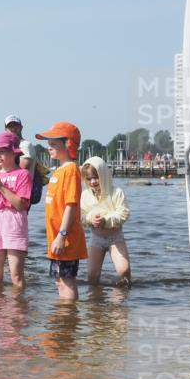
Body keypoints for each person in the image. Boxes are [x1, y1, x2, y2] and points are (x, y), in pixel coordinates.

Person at [35, 122, 87, 300]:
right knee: (60, 279)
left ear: (68, 144)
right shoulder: (58, 171)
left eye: (54, 144)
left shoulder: (71, 170)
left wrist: (62, 234)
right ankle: (65, 317)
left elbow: (71, 205)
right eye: (48, 144)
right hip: (55, 237)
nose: (49, 148)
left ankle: (68, 319)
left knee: (66, 280)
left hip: (66, 238)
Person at [0, 132, 31, 288]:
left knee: (16, 275)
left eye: (2, 151)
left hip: (14, 222)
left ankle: (18, 310)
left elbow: (21, 205)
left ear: (13, 152)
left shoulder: (23, 174)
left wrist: (0, 186)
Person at [80, 157, 132, 285]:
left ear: (103, 174)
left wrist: (106, 220)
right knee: (92, 276)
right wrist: (90, 219)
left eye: (96, 177)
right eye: (89, 179)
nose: (93, 182)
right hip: (96, 238)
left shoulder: (116, 193)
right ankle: (96, 299)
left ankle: (123, 295)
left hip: (115, 237)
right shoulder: (85, 195)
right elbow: (81, 216)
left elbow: (124, 213)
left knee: (123, 271)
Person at [4, 115, 46, 206]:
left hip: (21, 194)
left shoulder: (25, 145)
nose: (13, 129)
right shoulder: (8, 147)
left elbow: (23, 167)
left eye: (16, 126)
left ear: (21, 127)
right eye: (10, 127)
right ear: (5, 129)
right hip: (10, 193)